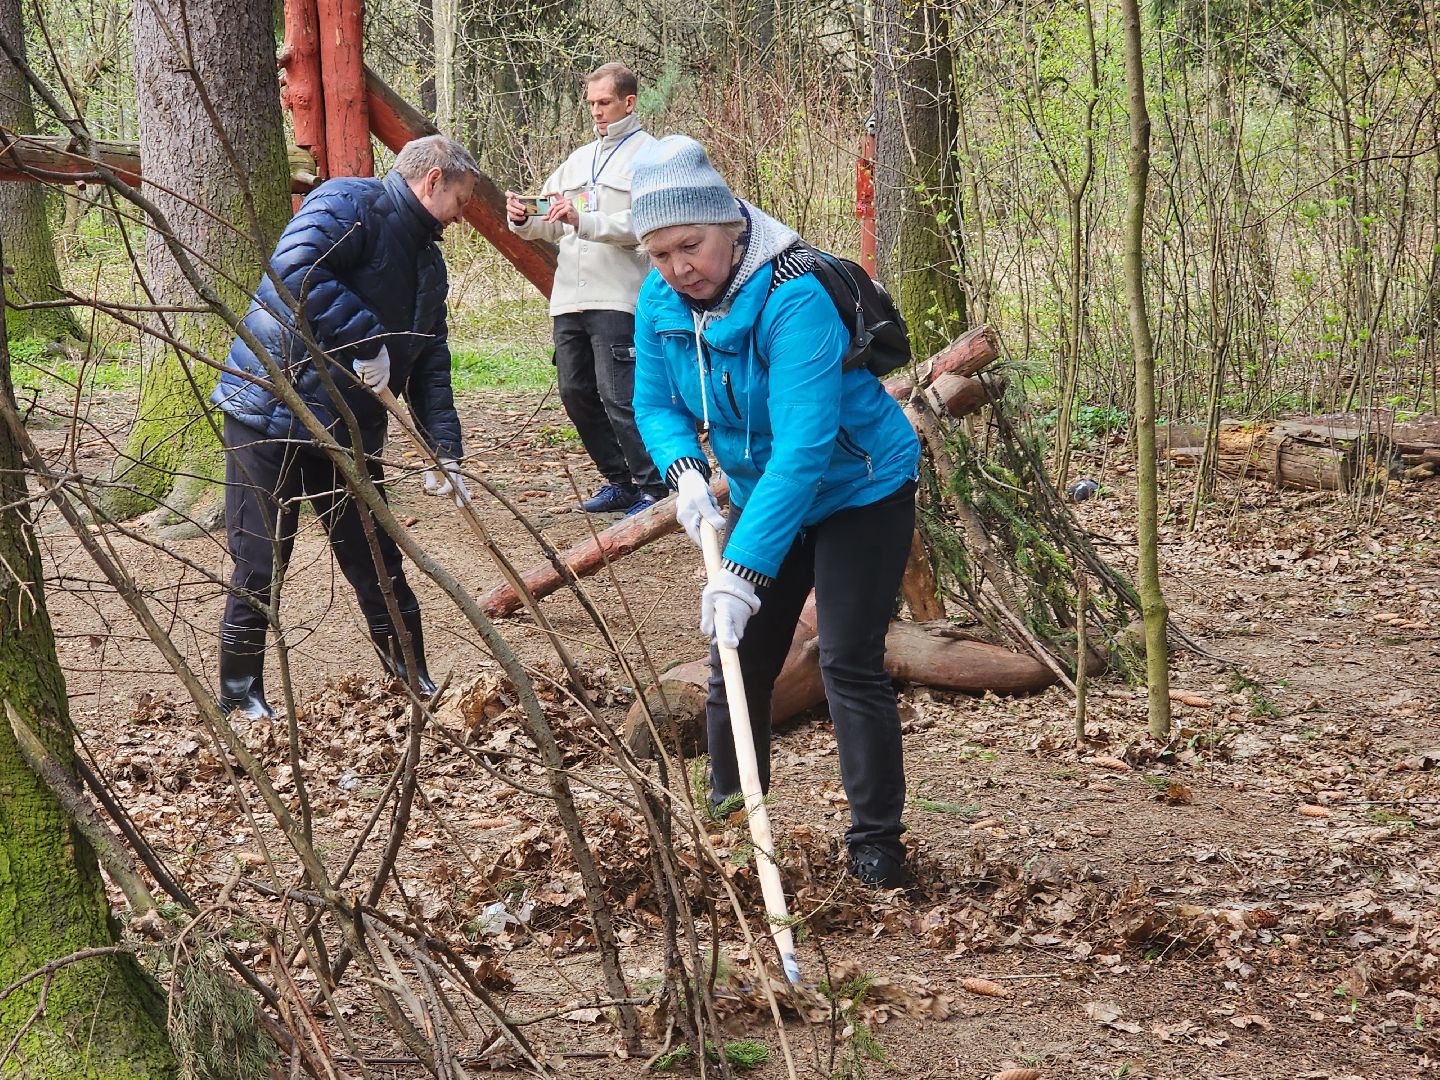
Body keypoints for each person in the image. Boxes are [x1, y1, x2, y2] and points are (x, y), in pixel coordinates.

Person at [628, 137, 922, 889]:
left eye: (690, 245)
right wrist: (684, 471)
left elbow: (804, 448)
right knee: (738, 659)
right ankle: (735, 826)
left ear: (730, 226)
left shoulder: (795, 296)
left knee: (846, 658)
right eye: (660, 253)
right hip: (764, 489)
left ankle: (877, 847)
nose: (677, 268)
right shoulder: (659, 300)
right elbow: (655, 403)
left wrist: (740, 570)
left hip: (860, 486)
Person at [210, 134, 478, 719]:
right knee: (262, 557)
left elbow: (431, 359)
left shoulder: (429, 265)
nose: (461, 216)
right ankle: (239, 695)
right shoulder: (349, 201)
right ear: (433, 180)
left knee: (376, 555)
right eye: (461, 200)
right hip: (270, 409)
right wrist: (368, 338)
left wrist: (445, 449)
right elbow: (294, 269)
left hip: (346, 427)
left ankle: (412, 678)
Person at [505, 62, 665, 516]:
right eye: (591, 103)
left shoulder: (652, 157)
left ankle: (655, 488)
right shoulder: (578, 160)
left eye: (604, 102)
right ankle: (619, 482)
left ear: (629, 102)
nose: (596, 111)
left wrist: (585, 220)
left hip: (619, 296)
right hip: (568, 299)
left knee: (620, 396)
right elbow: (549, 223)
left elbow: (649, 224)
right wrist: (523, 218)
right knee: (575, 392)